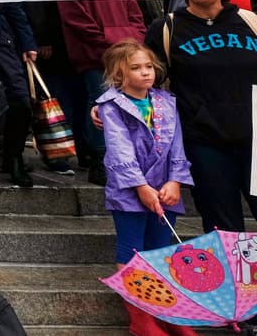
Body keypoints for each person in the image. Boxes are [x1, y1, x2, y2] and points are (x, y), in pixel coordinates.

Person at [144, 0, 257, 233]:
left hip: (256, 139)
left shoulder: (250, 22)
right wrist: (109, 106)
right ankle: (232, 277)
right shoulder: (167, 29)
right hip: (204, 141)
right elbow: (144, 79)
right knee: (222, 224)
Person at [95, 40, 197, 336]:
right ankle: (140, 317)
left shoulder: (167, 101)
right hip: (129, 190)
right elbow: (119, 150)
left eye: (148, 66)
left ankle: (167, 313)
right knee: (132, 248)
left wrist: (175, 181)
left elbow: (177, 145)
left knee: (162, 250)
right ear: (118, 75)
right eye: (135, 68)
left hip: (166, 188)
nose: (145, 73)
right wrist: (140, 186)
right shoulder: (111, 106)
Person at [58, 0, 146, 186]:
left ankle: (123, 159)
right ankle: (100, 161)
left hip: (126, 51)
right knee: (102, 103)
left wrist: (134, 38)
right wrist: (116, 41)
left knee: (127, 103)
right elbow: (76, 19)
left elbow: (135, 13)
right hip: (96, 54)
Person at [0, 1, 39, 187]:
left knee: (20, 98)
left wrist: (28, 43)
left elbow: (14, 5)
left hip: (0, 39)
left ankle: (14, 156)